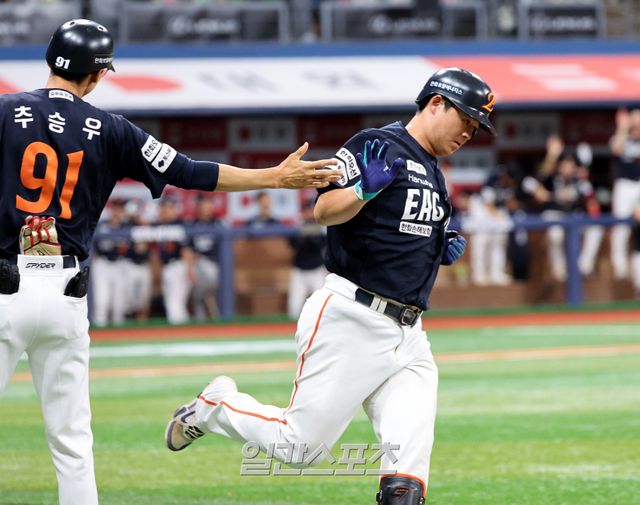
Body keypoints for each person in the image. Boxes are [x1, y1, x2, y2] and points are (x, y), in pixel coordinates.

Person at [0, 18, 340, 505]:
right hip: (66, 294)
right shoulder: (111, 129)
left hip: (6, 286)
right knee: (72, 442)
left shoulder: (5, 111)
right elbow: (191, 172)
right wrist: (274, 176)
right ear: (97, 75)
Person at [166, 67, 494, 504]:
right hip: (352, 319)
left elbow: (395, 233)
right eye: (466, 119)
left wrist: (436, 247)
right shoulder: (375, 143)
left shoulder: (434, 171)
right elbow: (324, 211)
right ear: (436, 103)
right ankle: (216, 406)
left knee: (405, 482)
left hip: (410, 336)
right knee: (299, 448)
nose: (469, 132)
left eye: (476, 126)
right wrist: (361, 190)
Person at [609, 108, 640, 279]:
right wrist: (623, 127)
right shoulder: (622, 137)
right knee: (621, 225)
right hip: (625, 185)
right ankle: (619, 267)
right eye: (634, 125)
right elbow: (615, 148)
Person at [287, 199, 327, 318]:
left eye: (311, 209)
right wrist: (303, 234)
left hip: (316, 270)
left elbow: (320, 244)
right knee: (294, 308)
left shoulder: (321, 225)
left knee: (321, 306)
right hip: (299, 271)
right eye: (306, 210)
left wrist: (308, 236)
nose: (309, 212)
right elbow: (292, 243)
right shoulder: (298, 225)